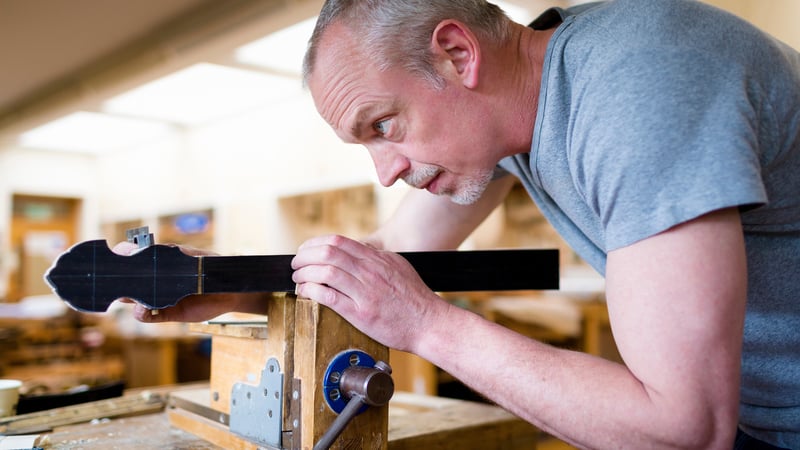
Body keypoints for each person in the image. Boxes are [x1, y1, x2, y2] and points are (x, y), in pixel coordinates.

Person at [117, 0, 800, 448]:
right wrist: (223, 283)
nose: (386, 173)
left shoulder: (637, 87)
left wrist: (424, 324)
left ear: (458, 55)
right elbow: (387, 258)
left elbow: (682, 428)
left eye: (383, 126)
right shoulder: (515, 114)